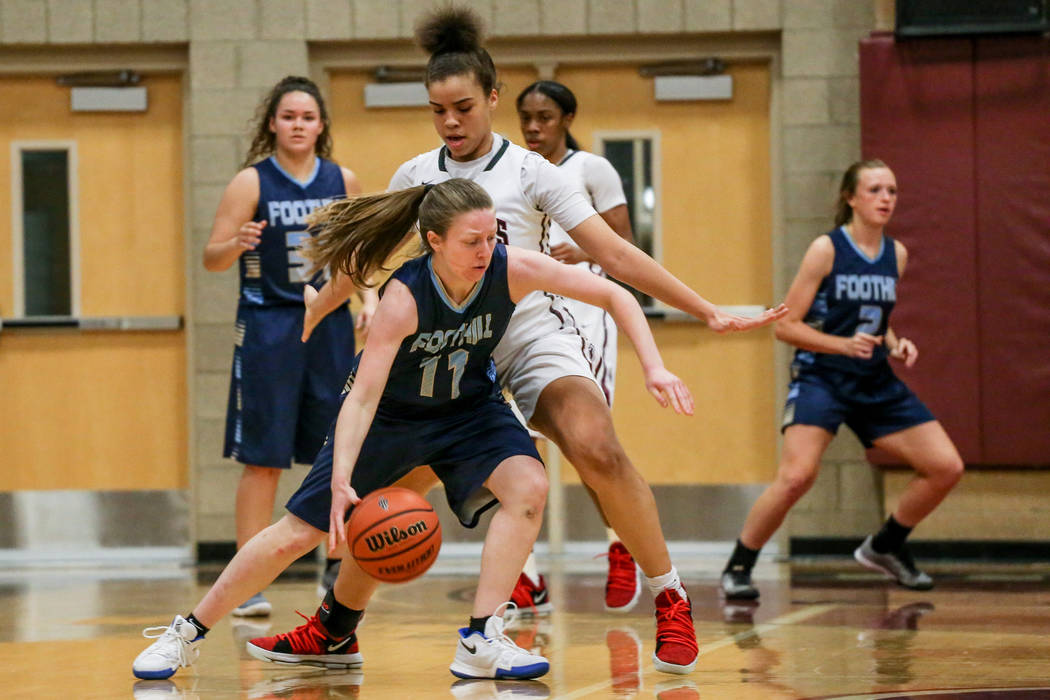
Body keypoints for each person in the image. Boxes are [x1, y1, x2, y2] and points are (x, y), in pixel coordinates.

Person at [268, 4, 787, 676]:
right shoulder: (416, 176)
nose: (451, 122)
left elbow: (616, 256)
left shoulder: (537, 173)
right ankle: (336, 626)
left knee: (594, 443)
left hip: (528, 329)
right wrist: (315, 312)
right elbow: (360, 259)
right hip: (452, 341)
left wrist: (704, 308)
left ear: (492, 97)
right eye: (437, 110)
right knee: (395, 490)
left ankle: (670, 595)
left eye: (462, 106)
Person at [131, 177, 695, 682]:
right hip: (392, 420)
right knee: (297, 534)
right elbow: (363, 399)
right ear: (435, 243)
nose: (486, 250)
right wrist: (341, 481)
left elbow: (615, 293)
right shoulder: (404, 297)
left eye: (490, 237)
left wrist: (654, 365)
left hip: (469, 411)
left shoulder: (511, 267)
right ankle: (186, 633)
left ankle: (481, 637)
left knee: (529, 486)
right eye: (471, 241)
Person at [719, 159, 964, 600]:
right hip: (822, 377)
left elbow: (875, 319)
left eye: (891, 190)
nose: (885, 198)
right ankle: (740, 565)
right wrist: (841, 345)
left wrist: (894, 342)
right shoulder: (826, 249)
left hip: (875, 382)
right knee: (797, 476)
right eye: (874, 190)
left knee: (946, 467)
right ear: (851, 197)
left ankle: (887, 546)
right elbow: (785, 327)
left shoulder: (897, 254)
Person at [202, 75, 375, 616]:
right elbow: (212, 256)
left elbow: (360, 251)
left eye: (307, 117)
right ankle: (247, 581)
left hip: (329, 326)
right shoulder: (250, 183)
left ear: (320, 125)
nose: (298, 125)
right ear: (272, 124)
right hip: (269, 327)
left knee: (340, 450)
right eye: (288, 116)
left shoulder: (341, 179)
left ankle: (334, 563)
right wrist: (236, 242)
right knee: (263, 459)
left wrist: (368, 298)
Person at [514, 79, 642, 613]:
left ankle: (623, 544)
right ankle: (525, 572)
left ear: (566, 118)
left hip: (587, 315)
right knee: (518, 444)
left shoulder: (593, 170)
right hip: (527, 320)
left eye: (544, 117)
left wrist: (580, 251)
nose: (534, 127)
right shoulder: (513, 170)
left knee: (585, 445)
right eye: (526, 117)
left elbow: (626, 248)